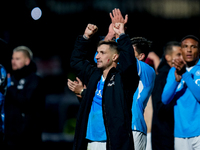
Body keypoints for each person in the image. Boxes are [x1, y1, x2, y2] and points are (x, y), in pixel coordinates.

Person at [69, 8, 139, 150]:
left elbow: (129, 64)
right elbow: (76, 61)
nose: (96, 56)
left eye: (101, 53)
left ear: (114, 57)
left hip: (112, 142)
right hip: (90, 140)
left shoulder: (122, 79)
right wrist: (85, 37)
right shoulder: (94, 75)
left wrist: (122, 36)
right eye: (97, 52)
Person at [161, 35, 200, 150]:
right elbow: (165, 99)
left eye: (193, 47)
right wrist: (176, 81)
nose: (189, 50)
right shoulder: (173, 70)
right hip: (180, 133)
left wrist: (185, 75)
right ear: (181, 50)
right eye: (185, 46)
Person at [4, 46, 45, 149]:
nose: (13, 61)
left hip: (28, 139)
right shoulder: (11, 78)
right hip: (10, 137)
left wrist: (9, 88)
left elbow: (26, 101)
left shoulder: (35, 80)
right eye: (12, 58)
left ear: (27, 61)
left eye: (18, 59)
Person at [151, 41, 182, 150]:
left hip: (176, 133)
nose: (182, 57)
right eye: (178, 54)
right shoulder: (161, 78)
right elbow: (159, 107)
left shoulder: (183, 74)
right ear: (168, 57)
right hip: (164, 135)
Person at [130, 37, 155, 150]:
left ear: (141, 56)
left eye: (131, 51)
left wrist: (120, 37)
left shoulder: (147, 69)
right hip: (119, 126)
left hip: (135, 127)